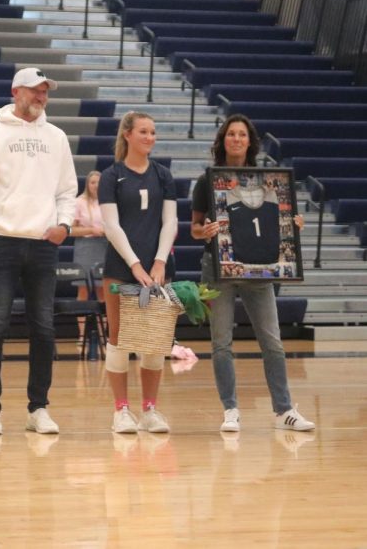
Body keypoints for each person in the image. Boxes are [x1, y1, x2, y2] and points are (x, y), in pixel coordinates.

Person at [0, 67, 77, 436]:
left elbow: (67, 190)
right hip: (1, 242)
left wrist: (65, 225)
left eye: (45, 92)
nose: (41, 98)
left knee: (44, 328)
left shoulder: (57, 138)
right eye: (35, 91)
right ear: (16, 92)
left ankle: (38, 407)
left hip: (44, 244)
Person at [190, 114, 315, 433]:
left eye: (241, 135)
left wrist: (293, 227)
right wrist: (204, 232)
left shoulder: (269, 179)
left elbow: (282, 221)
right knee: (221, 343)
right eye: (230, 134)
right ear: (223, 140)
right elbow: (194, 228)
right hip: (217, 269)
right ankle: (230, 409)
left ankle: (284, 409)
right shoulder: (208, 180)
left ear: (250, 141)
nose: (235, 139)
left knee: (272, 341)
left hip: (259, 270)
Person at [99, 111, 178, 435]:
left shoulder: (163, 175)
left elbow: (170, 222)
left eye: (153, 132)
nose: (150, 137)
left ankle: (149, 410)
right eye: (144, 131)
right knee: (118, 338)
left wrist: (159, 261)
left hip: (158, 268)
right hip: (121, 267)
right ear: (128, 135)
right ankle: (121, 411)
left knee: (155, 341)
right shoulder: (111, 175)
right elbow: (111, 225)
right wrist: (134, 264)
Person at [70, 170, 107, 341]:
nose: (96, 186)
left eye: (99, 182)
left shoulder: (108, 202)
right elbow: (70, 230)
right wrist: (91, 230)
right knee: (83, 290)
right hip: (85, 246)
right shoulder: (78, 202)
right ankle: (81, 335)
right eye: (92, 182)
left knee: (103, 291)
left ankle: (103, 335)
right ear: (87, 184)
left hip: (104, 246)